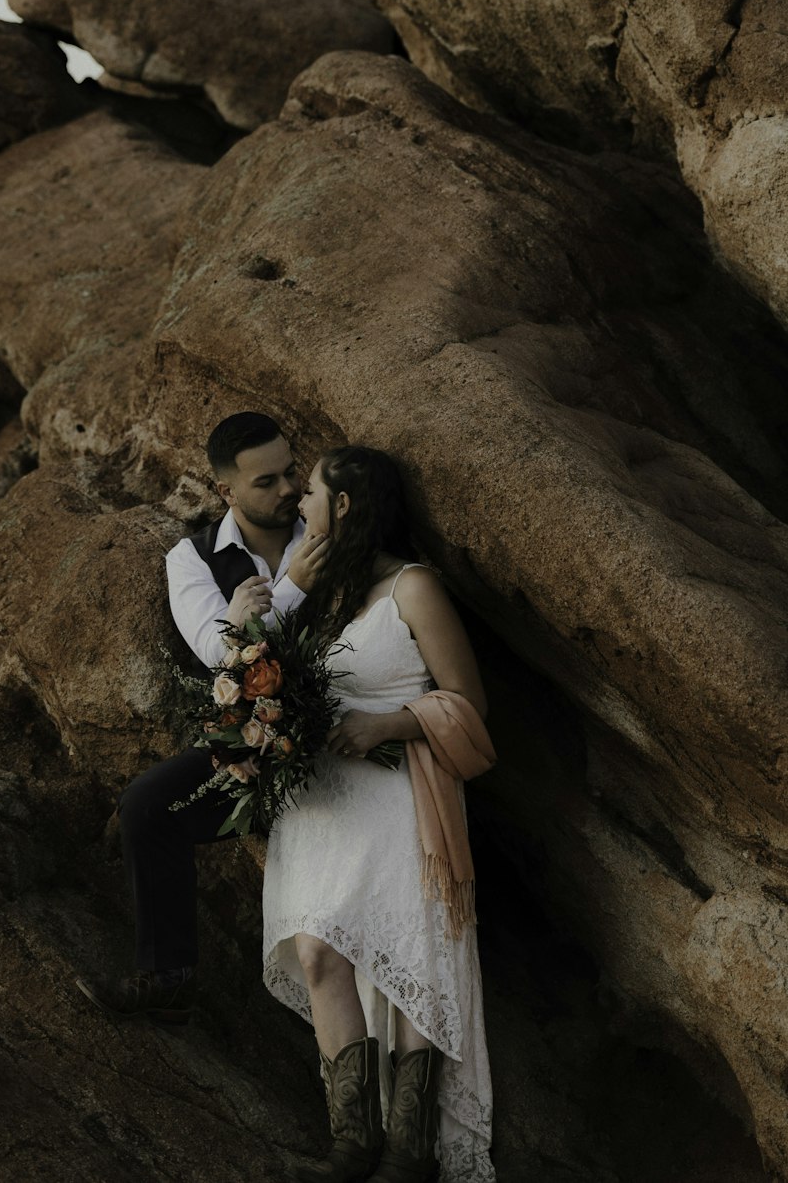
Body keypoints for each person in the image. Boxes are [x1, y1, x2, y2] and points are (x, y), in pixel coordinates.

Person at [263, 446, 496, 1183]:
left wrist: (385, 724)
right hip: (326, 807)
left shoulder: (412, 587)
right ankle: (351, 1145)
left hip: (397, 797)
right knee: (318, 952)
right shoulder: (334, 592)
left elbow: (470, 707)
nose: (301, 502)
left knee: (410, 964)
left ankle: (408, 1152)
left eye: (314, 492)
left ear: (349, 505)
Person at [76, 412, 328, 1024]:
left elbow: (247, 636)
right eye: (265, 482)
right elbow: (218, 653)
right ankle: (170, 976)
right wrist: (291, 588)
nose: (288, 489)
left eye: (291, 472)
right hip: (254, 751)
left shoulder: (325, 530)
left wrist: (253, 619)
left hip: (339, 732)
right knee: (146, 805)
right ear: (226, 492)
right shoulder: (190, 560)